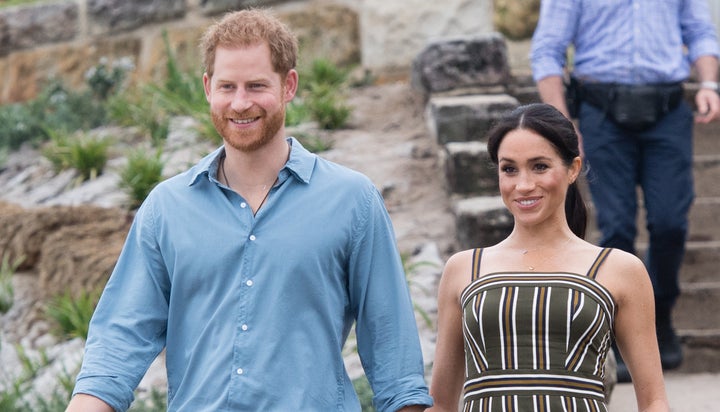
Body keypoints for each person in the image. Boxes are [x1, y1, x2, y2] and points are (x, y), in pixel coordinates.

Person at [65, 9, 432, 412]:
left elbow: (393, 356)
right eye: (227, 87)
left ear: (288, 84)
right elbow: (119, 341)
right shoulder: (166, 208)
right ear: (208, 88)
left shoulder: (352, 201)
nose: (240, 104)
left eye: (256, 86)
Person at [428, 104, 669, 411]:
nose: (524, 185)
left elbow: (654, 401)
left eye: (540, 166)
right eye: (509, 169)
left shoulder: (619, 269)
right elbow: (441, 404)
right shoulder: (464, 268)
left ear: (573, 168)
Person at [530, 0, 720, 381]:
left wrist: (709, 83)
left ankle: (659, 312)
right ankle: (620, 332)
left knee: (669, 223)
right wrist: (564, 123)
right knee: (617, 228)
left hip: (667, 110)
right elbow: (548, 49)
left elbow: (700, 30)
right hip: (602, 113)